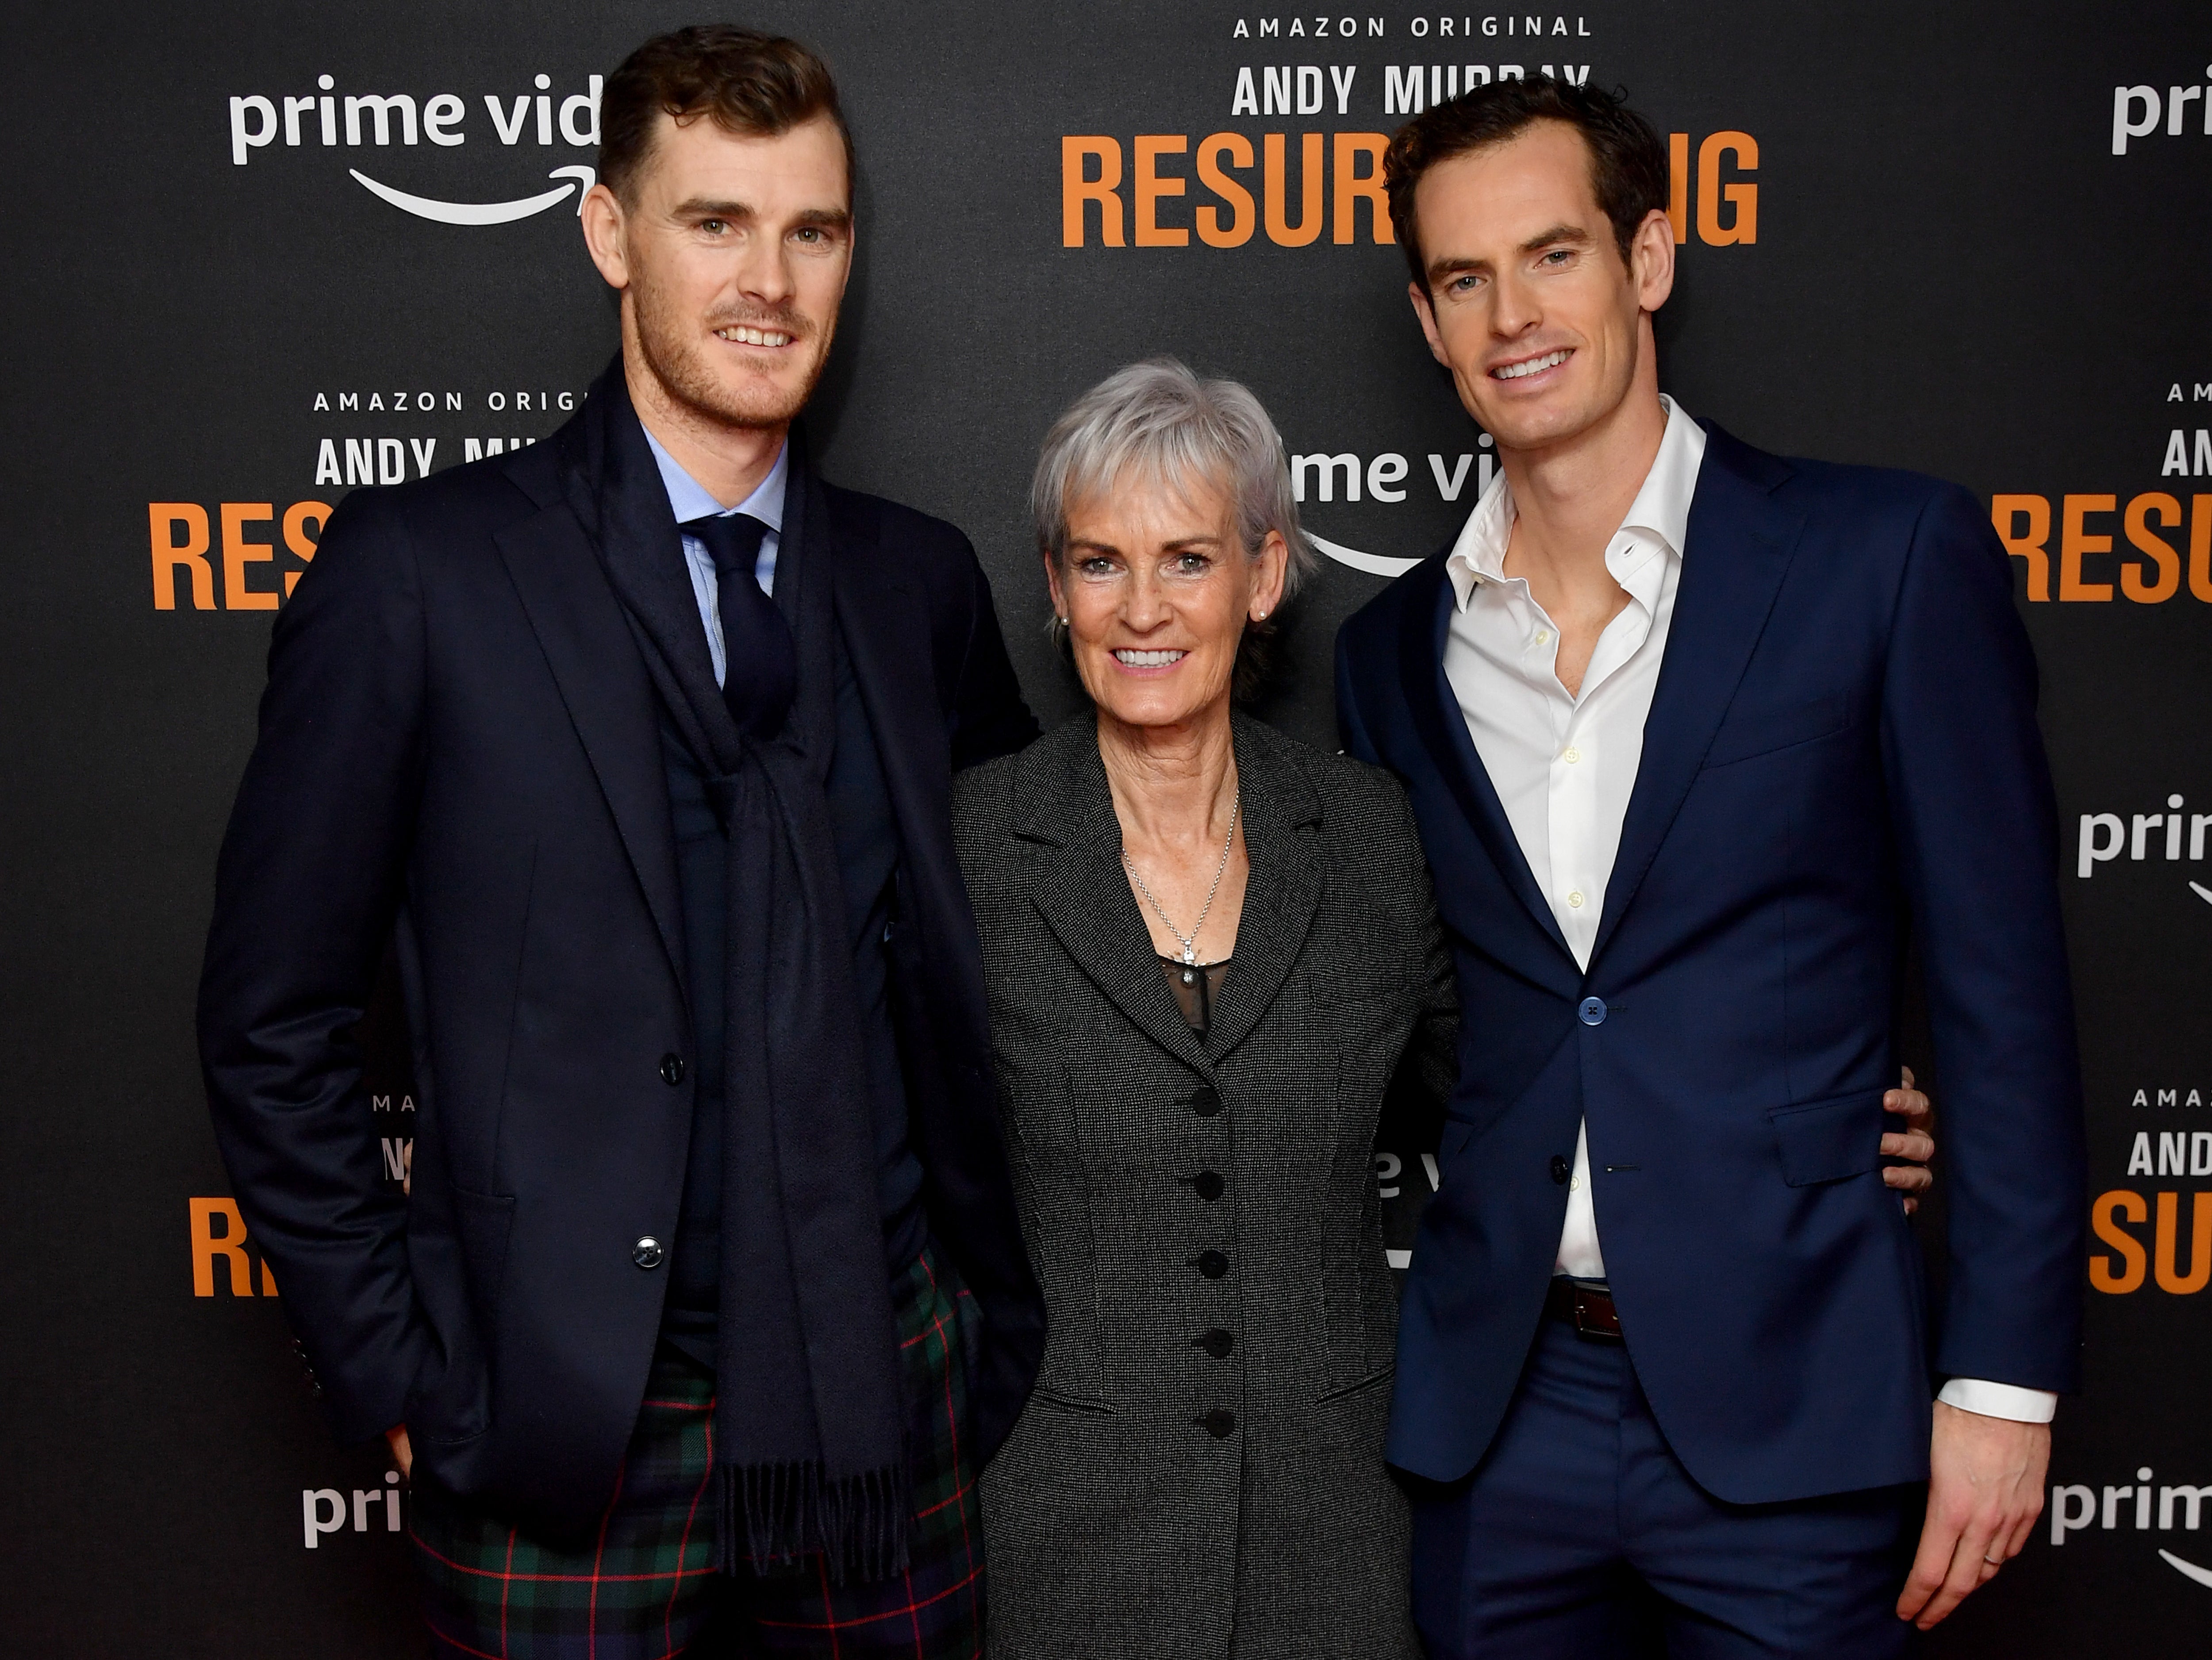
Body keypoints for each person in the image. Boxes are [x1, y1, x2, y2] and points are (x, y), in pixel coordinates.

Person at [196, 27, 1042, 1658]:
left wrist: (980, 1318)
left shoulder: (912, 586)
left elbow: (982, 957)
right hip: (564, 1430)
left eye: (814, 229)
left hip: (884, 1400)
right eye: (715, 222)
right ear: (607, 233)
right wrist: (406, 1378)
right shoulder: (423, 571)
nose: (771, 281)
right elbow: (271, 1021)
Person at [951, 361, 1937, 1656]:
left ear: (1261, 578)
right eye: (1100, 563)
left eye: (1188, 560)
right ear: (1054, 587)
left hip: (1344, 1530)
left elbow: (1528, 1077)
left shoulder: (1364, 834)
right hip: (1069, 1530)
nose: (1143, 608)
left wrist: (1790, 1128)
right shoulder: (976, 847)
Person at [1334, 77, 2087, 1656]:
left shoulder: (1879, 562)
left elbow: (2005, 1000)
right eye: (1465, 279)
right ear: (1425, 317)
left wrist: (2002, 1384)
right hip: (1500, 1412)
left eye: (1554, 255)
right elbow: (1423, 1019)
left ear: (1650, 260)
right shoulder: (1391, 655)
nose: (1512, 315)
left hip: (1800, 1411)